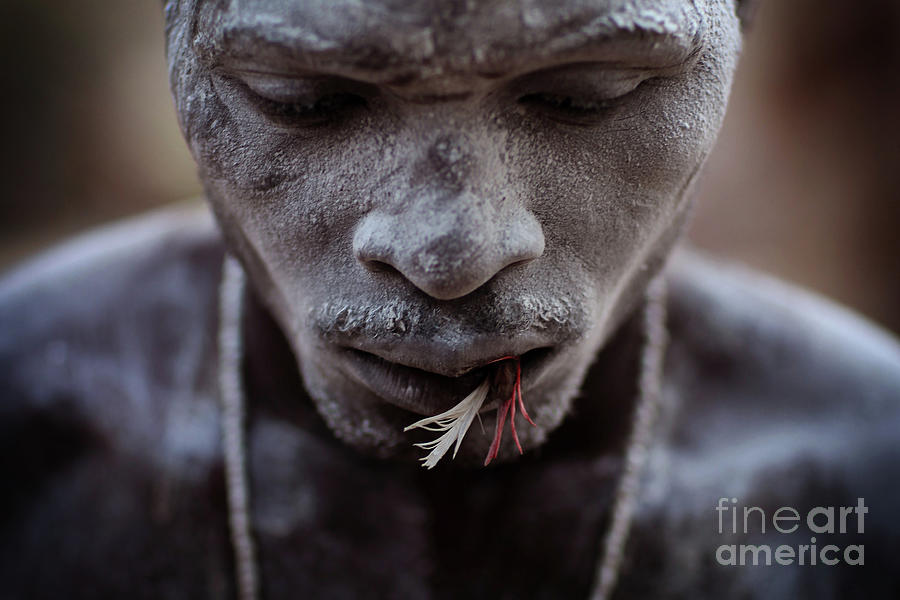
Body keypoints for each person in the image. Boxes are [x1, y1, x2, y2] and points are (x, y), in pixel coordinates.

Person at [1, 0, 898, 598]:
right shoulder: (22, 426)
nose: (452, 252)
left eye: (583, 96)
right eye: (309, 100)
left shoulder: (871, 485)